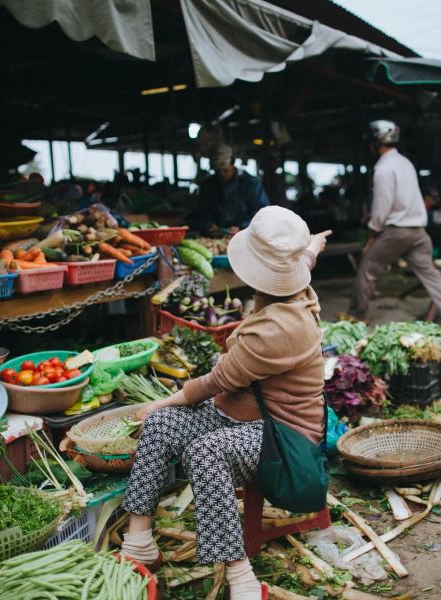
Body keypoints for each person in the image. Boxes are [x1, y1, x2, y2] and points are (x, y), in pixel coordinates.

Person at [120, 206, 331, 600]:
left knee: (204, 452)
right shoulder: (289, 285)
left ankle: (241, 577)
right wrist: (313, 244)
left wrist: (163, 400)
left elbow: (218, 380)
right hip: (240, 416)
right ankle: (138, 541)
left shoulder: (281, 329)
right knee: (161, 426)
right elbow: (303, 258)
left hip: (283, 437)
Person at [347, 120, 441, 337]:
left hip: (396, 231)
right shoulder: (405, 163)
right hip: (418, 232)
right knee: (432, 276)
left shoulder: (383, 169)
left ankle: (357, 315)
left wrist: (372, 235)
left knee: (368, 268)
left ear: (374, 141)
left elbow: (381, 209)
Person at [195, 144, 270, 237]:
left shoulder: (251, 183)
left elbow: (262, 212)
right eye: (218, 171)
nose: (221, 174)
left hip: (245, 236)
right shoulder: (208, 185)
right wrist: (208, 225)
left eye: (225, 170)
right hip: (216, 237)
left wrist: (243, 227)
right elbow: (202, 212)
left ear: (233, 163)